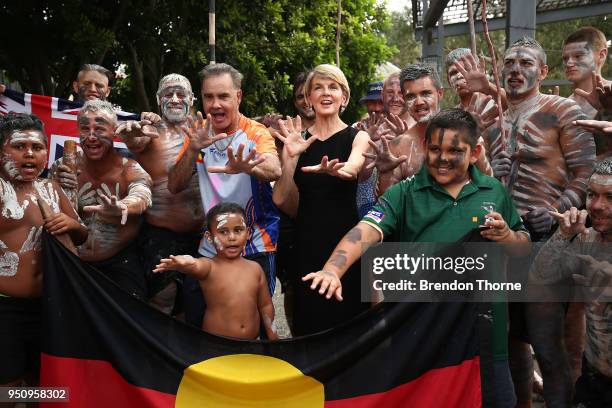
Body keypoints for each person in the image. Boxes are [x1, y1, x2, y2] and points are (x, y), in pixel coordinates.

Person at [304, 109, 529, 407]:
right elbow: (365, 231)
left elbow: (523, 246)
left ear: (474, 153)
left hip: (485, 340)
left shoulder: (495, 191)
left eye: (454, 151)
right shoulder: (404, 194)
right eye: (435, 149)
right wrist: (333, 269)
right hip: (423, 339)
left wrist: (507, 237)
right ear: (425, 148)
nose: (443, 158)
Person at [476, 36, 596, 408]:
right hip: (501, 241)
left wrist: (559, 208)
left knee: (548, 344)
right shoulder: (490, 121)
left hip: (549, 242)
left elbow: (587, 173)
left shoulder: (563, 111)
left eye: (526, 64)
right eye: (509, 63)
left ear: (543, 72)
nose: (516, 70)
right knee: (508, 342)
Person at [168, 63, 281, 326]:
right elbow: (174, 185)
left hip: (255, 241)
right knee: (199, 316)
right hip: (212, 243)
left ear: (238, 97)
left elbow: (274, 169)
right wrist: (192, 148)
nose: (215, 104)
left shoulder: (255, 132)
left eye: (223, 96)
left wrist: (247, 166)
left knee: (254, 321)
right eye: (209, 97)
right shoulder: (198, 134)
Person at [272, 64, 370, 336]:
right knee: (310, 324)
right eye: (318, 88)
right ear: (309, 97)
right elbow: (281, 198)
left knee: (349, 324)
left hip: (346, 244)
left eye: (333, 87)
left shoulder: (357, 136)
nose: (326, 93)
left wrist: (337, 170)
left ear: (344, 96)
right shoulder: (297, 140)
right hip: (306, 244)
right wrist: (289, 157)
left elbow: (353, 168)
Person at [0, 113, 87, 387]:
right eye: (19, 147)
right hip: (5, 308)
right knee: (8, 383)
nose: (30, 154)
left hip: (50, 303)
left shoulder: (50, 188)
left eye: (37, 148)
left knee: (45, 380)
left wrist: (70, 222)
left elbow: (82, 235)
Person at [115, 74, 205, 314]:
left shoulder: (204, 129)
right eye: (168, 94)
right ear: (158, 100)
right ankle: (155, 348)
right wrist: (131, 133)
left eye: (181, 93)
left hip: (203, 232)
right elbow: (134, 138)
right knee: (164, 295)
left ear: (192, 99)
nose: (174, 99)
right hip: (162, 233)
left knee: (198, 297)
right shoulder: (151, 131)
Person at [50, 100, 153, 299]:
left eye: (99, 128)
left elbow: (142, 195)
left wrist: (122, 208)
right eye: (84, 128)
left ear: (114, 131)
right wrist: (55, 187)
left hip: (119, 264)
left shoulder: (129, 169)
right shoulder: (63, 167)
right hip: (72, 261)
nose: (91, 136)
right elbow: (44, 207)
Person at [533, 157, 612, 407]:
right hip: (595, 379)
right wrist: (563, 233)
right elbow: (540, 276)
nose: (597, 205)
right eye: (592, 195)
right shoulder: (586, 240)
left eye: (610, 197)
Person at [154, 203, 278, 340]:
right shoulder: (210, 267)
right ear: (209, 237)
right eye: (223, 231)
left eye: (238, 230)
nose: (232, 237)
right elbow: (196, 265)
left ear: (248, 233)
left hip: (251, 344)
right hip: (217, 346)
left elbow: (266, 305)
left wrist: (273, 335)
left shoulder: (256, 269)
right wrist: (184, 262)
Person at [370, 63, 495, 196]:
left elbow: (489, 184)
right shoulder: (399, 146)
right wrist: (385, 174)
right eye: (411, 96)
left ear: (440, 93)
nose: (419, 102)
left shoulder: (465, 133)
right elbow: (387, 205)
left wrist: (473, 137)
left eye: (426, 93)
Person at [563, 27, 612, 160]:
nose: (569, 63)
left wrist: (606, 111)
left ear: (601, 55)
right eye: (565, 58)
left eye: (578, 56)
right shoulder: (562, 103)